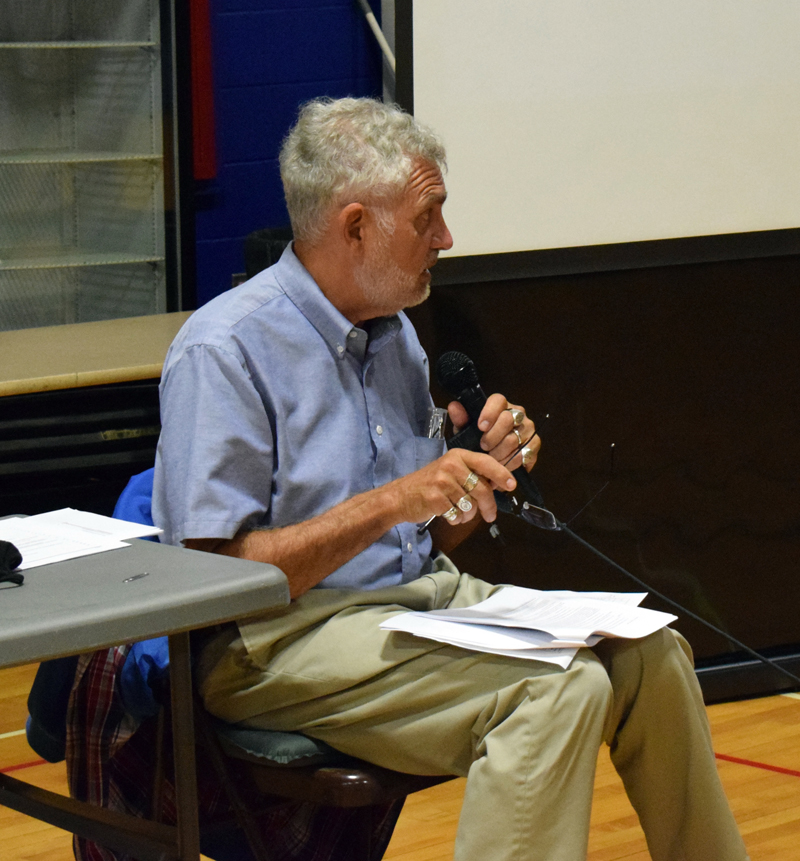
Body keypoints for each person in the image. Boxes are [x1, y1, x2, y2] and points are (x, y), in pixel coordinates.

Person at [153, 97, 749, 861]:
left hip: (414, 604)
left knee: (653, 654)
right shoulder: (225, 350)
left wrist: (479, 478)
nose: (447, 239)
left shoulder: (393, 328)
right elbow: (209, 584)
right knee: (557, 690)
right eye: (428, 217)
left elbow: (424, 537)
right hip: (274, 642)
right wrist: (396, 498)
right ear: (356, 225)